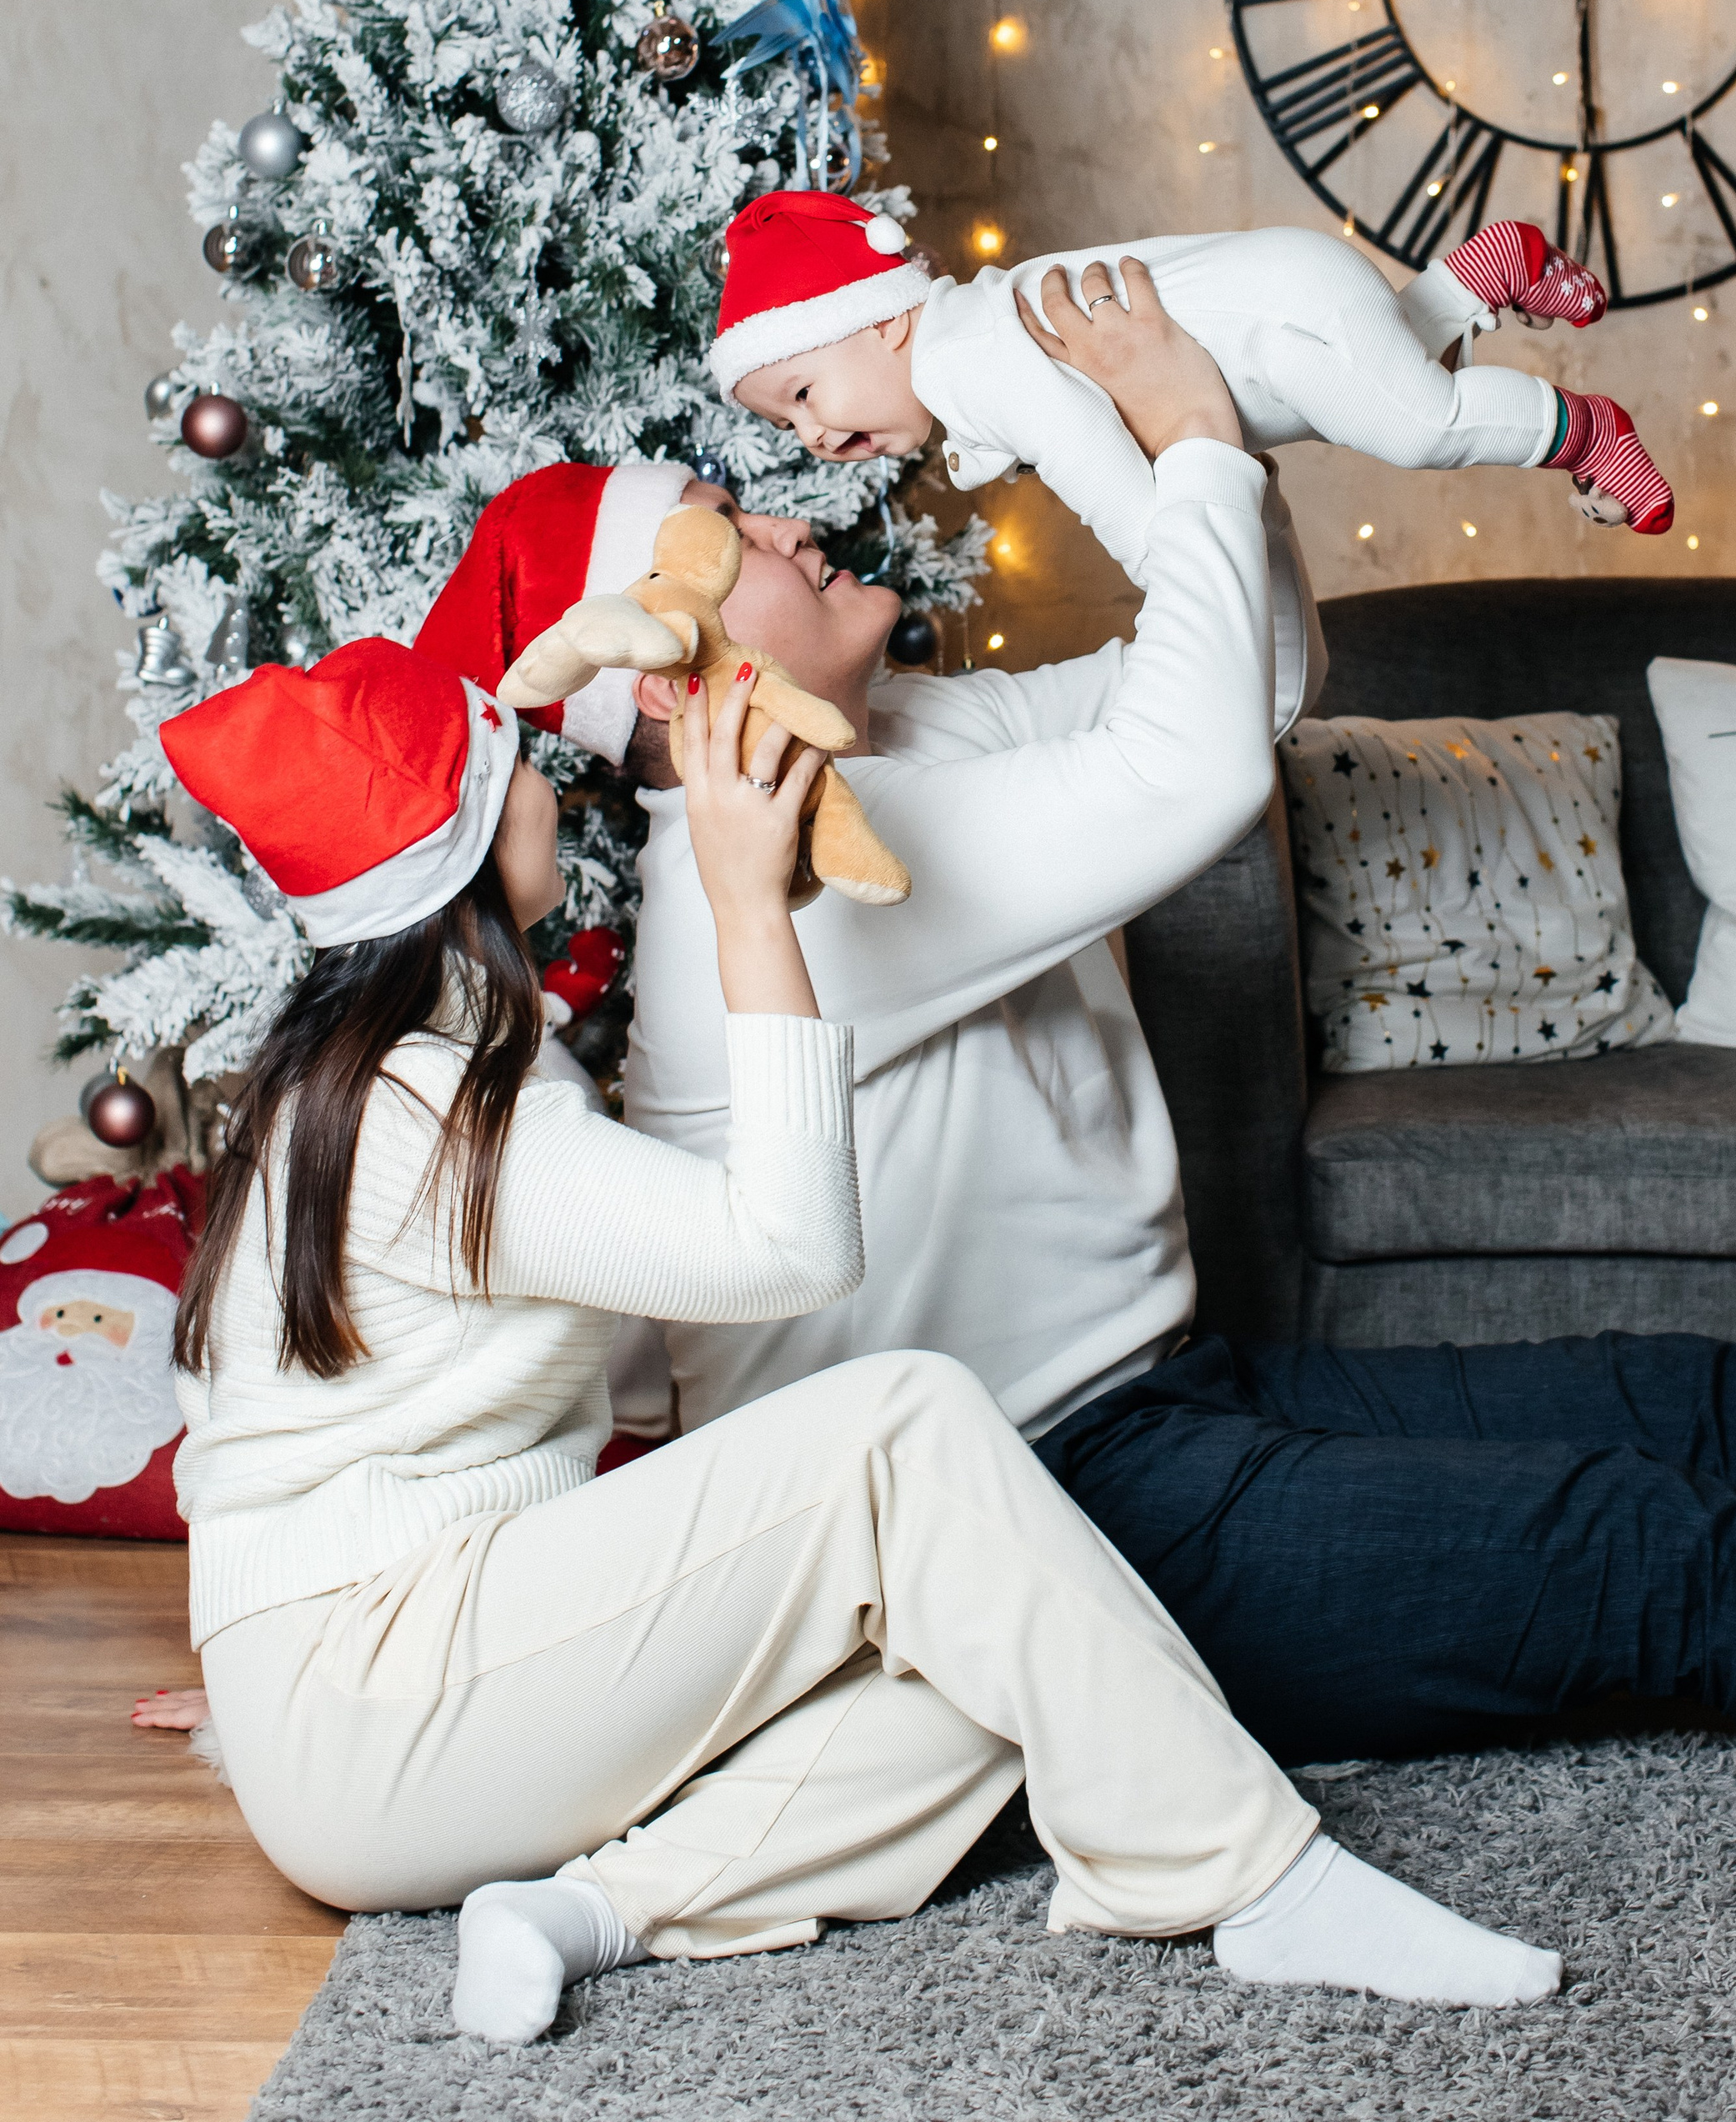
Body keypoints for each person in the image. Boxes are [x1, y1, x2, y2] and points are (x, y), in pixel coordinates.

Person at [416, 258, 1736, 1798]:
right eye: (737, 534)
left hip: (1154, 1401)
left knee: (1687, 1405)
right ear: (668, 666)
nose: (794, 524)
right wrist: (1179, 447)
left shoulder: (913, 741)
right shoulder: (787, 882)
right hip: (1026, 1521)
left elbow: (1248, 685)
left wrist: (1196, 430)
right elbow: (1192, 775)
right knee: (1653, 1552)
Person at [158, 632, 1563, 2043]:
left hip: (379, 1693)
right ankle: (1252, 1878)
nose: (552, 788)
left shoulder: (370, 1080)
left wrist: (264, 1660)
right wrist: (745, 903)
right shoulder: (443, 1120)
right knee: (909, 1425)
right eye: (515, 771)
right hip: (382, 1710)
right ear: (459, 857)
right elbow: (791, 1251)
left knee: (1018, 1638)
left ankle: (594, 1908)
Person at [718, 193, 1675, 561]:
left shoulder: (963, 358)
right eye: (783, 422)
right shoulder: (962, 344)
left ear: (881, 321)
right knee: (1372, 392)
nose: (807, 434)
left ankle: (1585, 431)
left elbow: (1086, 454)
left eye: (802, 393)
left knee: (1416, 424)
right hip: (1283, 308)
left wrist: (1164, 560)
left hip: (1278, 315)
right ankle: (1478, 278)